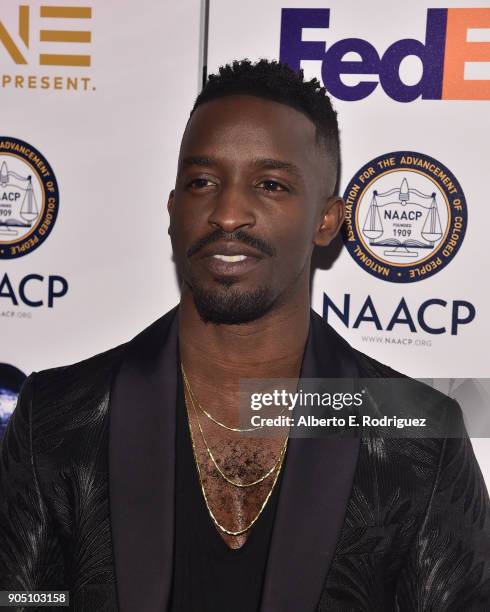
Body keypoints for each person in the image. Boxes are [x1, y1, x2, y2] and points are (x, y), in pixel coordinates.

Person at [1, 59, 489, 612]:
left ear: (326, 221)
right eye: (203, 182)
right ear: (172, 208)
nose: (228, 213)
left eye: (270, 184)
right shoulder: (59, 418)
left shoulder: (417, 440)